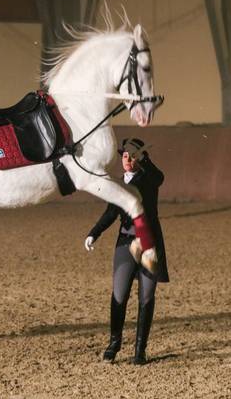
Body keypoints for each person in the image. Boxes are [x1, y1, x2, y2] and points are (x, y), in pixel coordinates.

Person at [84, 138, 168, 365]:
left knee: (147, 296)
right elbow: (111, 212)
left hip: (149, 244)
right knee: (119, 294)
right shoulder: (119, 183)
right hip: (125, 242)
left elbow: (160, 177)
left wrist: (145, 160)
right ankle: (114, 343)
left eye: (132, 156)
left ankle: (140, 350)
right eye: (124, 156)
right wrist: (95, 232)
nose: (128, 160)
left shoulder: (149, 179)